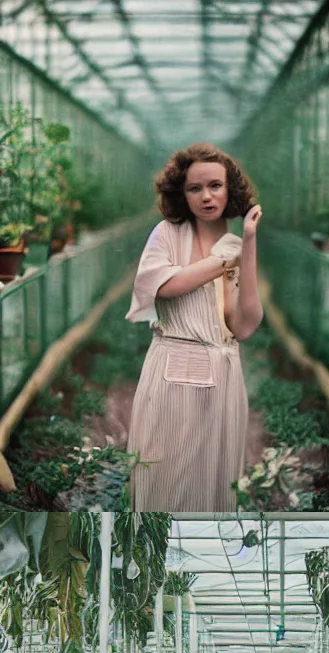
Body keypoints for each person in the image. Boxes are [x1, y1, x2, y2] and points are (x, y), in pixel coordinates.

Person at [125, 142, 264, 511]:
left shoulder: (232, 242)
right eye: (195, 188)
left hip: (224, 378)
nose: (207, 196)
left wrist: (247, 246)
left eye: (215, 186)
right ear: (180, 193)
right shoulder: (167, 234)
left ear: (229, 188)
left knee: (215, 482)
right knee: (165, 475)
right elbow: (165, 286)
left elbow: (243, 324)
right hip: (175, 373)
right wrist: (223, 262)